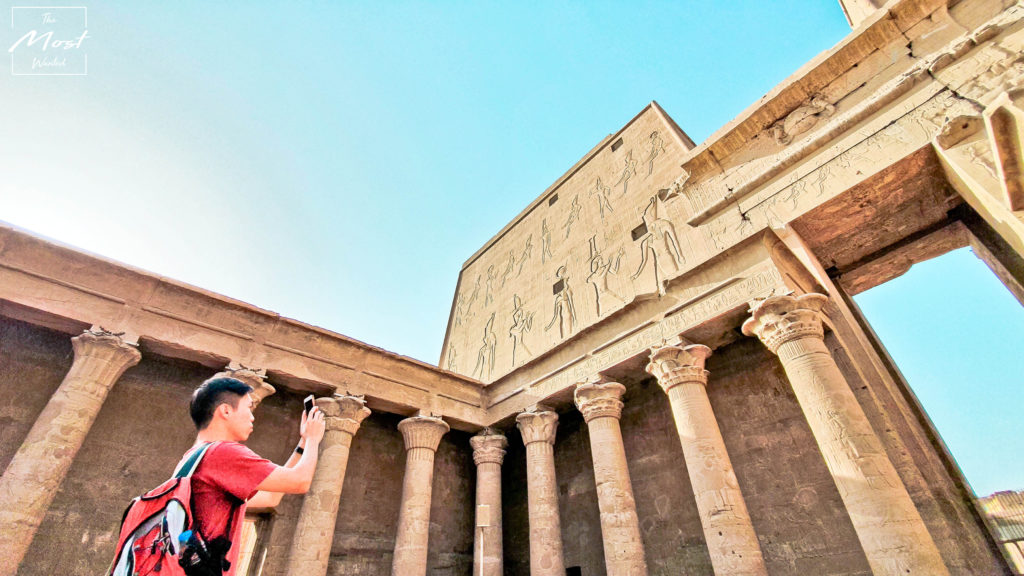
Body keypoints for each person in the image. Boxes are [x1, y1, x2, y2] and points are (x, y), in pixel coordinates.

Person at [183, 376, 326, 575]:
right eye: (248, 408)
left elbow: (271, 498)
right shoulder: (225, 453)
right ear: (225, 411)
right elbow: (301, 482)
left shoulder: (195, 457)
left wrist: (302, 444)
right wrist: (313, 439)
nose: (252, 416)